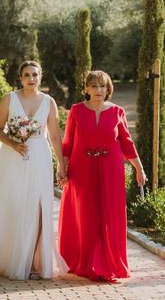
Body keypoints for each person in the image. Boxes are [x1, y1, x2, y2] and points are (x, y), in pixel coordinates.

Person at [0, 61, 68, 280]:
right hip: (12, 157)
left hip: (40, 158)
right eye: (26, 75)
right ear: (20, 78)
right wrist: (14, 144)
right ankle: (9, 256)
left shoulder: (49, 102)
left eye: (34, 74)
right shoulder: (9, 99)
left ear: (40, 76)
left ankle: (34, 262)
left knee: (39, 207)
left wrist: (61, 165)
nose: (31, 79)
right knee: (12, 203)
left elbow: (54, 136)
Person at [58, 70, 147, 282]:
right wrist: (61, 169)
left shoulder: (117, 111)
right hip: (82, 170)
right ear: (86, 89)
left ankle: (108, 263)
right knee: (86, 216)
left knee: (110, 215)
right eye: (95, 86)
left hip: (111, 169)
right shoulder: (76, 111)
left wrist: (139, 168)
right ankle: (87, 262)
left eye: (103, 86)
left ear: (108, 89)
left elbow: (126, 142)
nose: (99, 90)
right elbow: (67, 143)